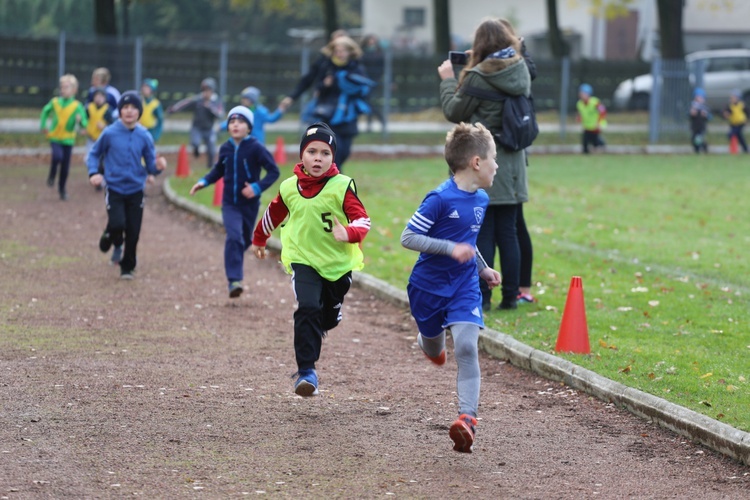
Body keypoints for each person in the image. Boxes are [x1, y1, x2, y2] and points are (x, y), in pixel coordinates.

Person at [401, 122, 501, 453]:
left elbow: (468, 242)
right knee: (433, 348)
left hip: (464, 287)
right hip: (427, 288)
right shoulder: (439, 199)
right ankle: (428, 341)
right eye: (494, 159)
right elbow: (408, 238)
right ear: (476, 162)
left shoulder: (482, 199)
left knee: (468, 348)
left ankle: (467, 420)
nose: (496, 166)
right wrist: (448, 248)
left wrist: (483, 268)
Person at [250, 122, 370, 397]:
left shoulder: (342, 186)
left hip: (337, 266)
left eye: (325, 153)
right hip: (302, 259)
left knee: (325, 319)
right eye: (312, 151)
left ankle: (333, 311)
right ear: (302, 155)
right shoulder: (289, 187)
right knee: (307, 307)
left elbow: (364, 220)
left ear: (333, 158)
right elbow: (273, 213)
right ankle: (306, 371)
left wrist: (349, 232)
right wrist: (259, 238)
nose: (318, 158)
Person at [438, 18, 531, 311]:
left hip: (486, 158)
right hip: (515, 161)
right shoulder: (521, 69)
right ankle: (511, 297)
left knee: (486, 230)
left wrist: (448, 80)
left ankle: (483, 298)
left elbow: (454, 110)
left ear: (479, 44)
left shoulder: (478, 76)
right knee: (510, 231)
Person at [189, 106, 280, 298]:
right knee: (234, 237)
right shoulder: (226, 148)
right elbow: (218, 170)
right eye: (232, 121)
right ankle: (234, 280)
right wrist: (203, 182)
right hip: (230, 203)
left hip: (250, 204)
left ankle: (235, 262)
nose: (235, 125)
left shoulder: (256, 148)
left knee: (244, 239)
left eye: (240, 122)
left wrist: (256, 187)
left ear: (249, 127)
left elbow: (274, 171)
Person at [87, 91, 167, 279]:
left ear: (139, 112)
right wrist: (94, 173)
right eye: (125, 107)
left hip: (136, 190)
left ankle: (127, 266)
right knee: (117, 224)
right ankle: (110, 233)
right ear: (120, 111)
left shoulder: (145, 136)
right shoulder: (110, 133)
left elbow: (150, 165)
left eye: (133, 108)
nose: (129, 111)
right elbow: (93, 154)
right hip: (114, 188)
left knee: (133, 231)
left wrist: (158, 167)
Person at [279, 35, 374, 171]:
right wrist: (323, 85)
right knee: (336, 151)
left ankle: (334, 176)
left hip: (347, 116)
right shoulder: (325, 66)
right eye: (337, 51)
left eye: (343, 50)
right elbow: (310, 83)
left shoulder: (356, 68)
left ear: (350, 52)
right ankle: (333, 181)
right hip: (327, 115)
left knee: (345, 152)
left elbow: (364, 90)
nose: (339, 54)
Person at [39, 73, 88, 201]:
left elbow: (84, 122)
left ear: (74, 90)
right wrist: (43, 125)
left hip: (68, 139)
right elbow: (45, 111)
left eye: (66, 87)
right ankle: (52, 174)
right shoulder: (55, 102)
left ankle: (62, 189)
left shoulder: (77, 106)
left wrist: (81, 122)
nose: (63, 90)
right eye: (62, 87)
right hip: (54, 136)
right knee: (57, 156)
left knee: (65, 166)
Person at [167, 77, 224, 169]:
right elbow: (185, 103)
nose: (206, 93)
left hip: (209, 129)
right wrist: (173, 109)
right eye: (204, 90)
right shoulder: (198, 100)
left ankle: (210, 167)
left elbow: (220, 114)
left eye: (208, 90)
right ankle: (196, 151)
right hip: (197, 127)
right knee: (195, 142)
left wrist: (210, 107)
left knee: (211, 150)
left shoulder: (216, 101)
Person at [219, 86, 284, 146]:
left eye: (245, 98)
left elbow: (271, 119)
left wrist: (280, 110)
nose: (242, 100)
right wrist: (221, 126)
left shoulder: (260, 111)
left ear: (252, 99)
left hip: (257, 142)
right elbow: (233, 121)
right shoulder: (242, 110)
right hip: (244, 141)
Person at [84, 87, 114, 192]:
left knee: (102, 162)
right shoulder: (89, 108)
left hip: (102, 140)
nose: (98, 99)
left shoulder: (107, 110)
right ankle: (95, 176)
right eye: (97, 96)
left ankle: (101, 180)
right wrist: (83, 127)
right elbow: (84, 120)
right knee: (88, 159)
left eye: (101, 97)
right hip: (91, 139)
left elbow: (112, 125)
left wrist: (104, 126)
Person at [359, 34, 385, 132]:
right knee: (368, 102)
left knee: (370, 102)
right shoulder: (362, 53)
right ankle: (378, 121)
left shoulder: (379, 53)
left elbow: (383, 68)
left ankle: (378, 121)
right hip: (365, 81)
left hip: (375, 81)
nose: (371, 42)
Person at [576, 83, 607, 154]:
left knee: (595, 141)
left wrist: (599, 122)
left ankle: (602, 144)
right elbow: (580, 114)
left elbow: (602, 111)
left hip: (595, 126)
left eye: (583, 93)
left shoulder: (595, 102)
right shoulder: (579, 104)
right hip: (586, 126)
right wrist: (579, 119)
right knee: (585, 144)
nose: (581, 95)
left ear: (588, 94)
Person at [722, 89, 748, 153]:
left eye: (733, 97)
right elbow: (726, 113)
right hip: (733, 123)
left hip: (740, 123)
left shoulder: (741, 105)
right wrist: (725, 115)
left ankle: (735, 149)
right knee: (739, 136)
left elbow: (747, 112)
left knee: (731, 134)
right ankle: (745, 149)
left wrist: (747, 119)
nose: (732, 99)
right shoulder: (730, 106)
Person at [139, 78, 164, 143]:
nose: (144, 89)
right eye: (143, 87)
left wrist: (156, 135)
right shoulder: (140, 101)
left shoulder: (155, 104)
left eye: (147, 87)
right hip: (140, 130)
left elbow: (160, 120)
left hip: (151, 131)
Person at [689, 87, 711, 154]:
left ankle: (702, 148)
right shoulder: (693, 106)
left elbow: (710, 117)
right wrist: (691, 114)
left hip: (701, 127)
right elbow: (689, 115)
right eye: (697, 97)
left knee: (699, 139)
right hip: (694, 126)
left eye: (700, 97)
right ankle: (697, 150)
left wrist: (705, 115)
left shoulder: (705, 107)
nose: (699, 99)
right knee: (694, 139)